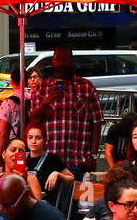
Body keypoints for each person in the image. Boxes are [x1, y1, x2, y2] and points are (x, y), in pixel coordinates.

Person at [28, 45, 102, 181]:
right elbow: (33, 121)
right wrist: (46, 102)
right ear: (53, 61)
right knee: (49, 201)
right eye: (58, 59)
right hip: (49, 159)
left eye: (65, 59)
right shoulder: (41, 88)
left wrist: (93, 155)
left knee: (77, 201)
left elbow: (97, 122)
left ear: (71, 61)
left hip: (78, 159)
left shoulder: (86, 86)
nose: (61, 63)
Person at [0, 136, 42, 207]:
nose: (16, 154)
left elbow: (38, 209)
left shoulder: (30, 179)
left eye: (21, 151)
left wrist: (25, 184)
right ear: (4, 154)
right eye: (13, 150)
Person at [22, 122, 74, 207]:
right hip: (23, 203)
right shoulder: (21, 158)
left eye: (38, 138)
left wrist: (58, 174)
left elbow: (71, 179)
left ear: (45, 140)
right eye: (30, 137)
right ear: (26, 139)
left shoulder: (52, 159)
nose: (33, 141)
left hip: (45, 206)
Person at [0, 69, 39, 169]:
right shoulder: (33, 98)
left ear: (12, 82)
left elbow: (3, 134)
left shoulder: (9, 102)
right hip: (33, 145)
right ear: (27, 80)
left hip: (16, 149)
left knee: (17, 175)